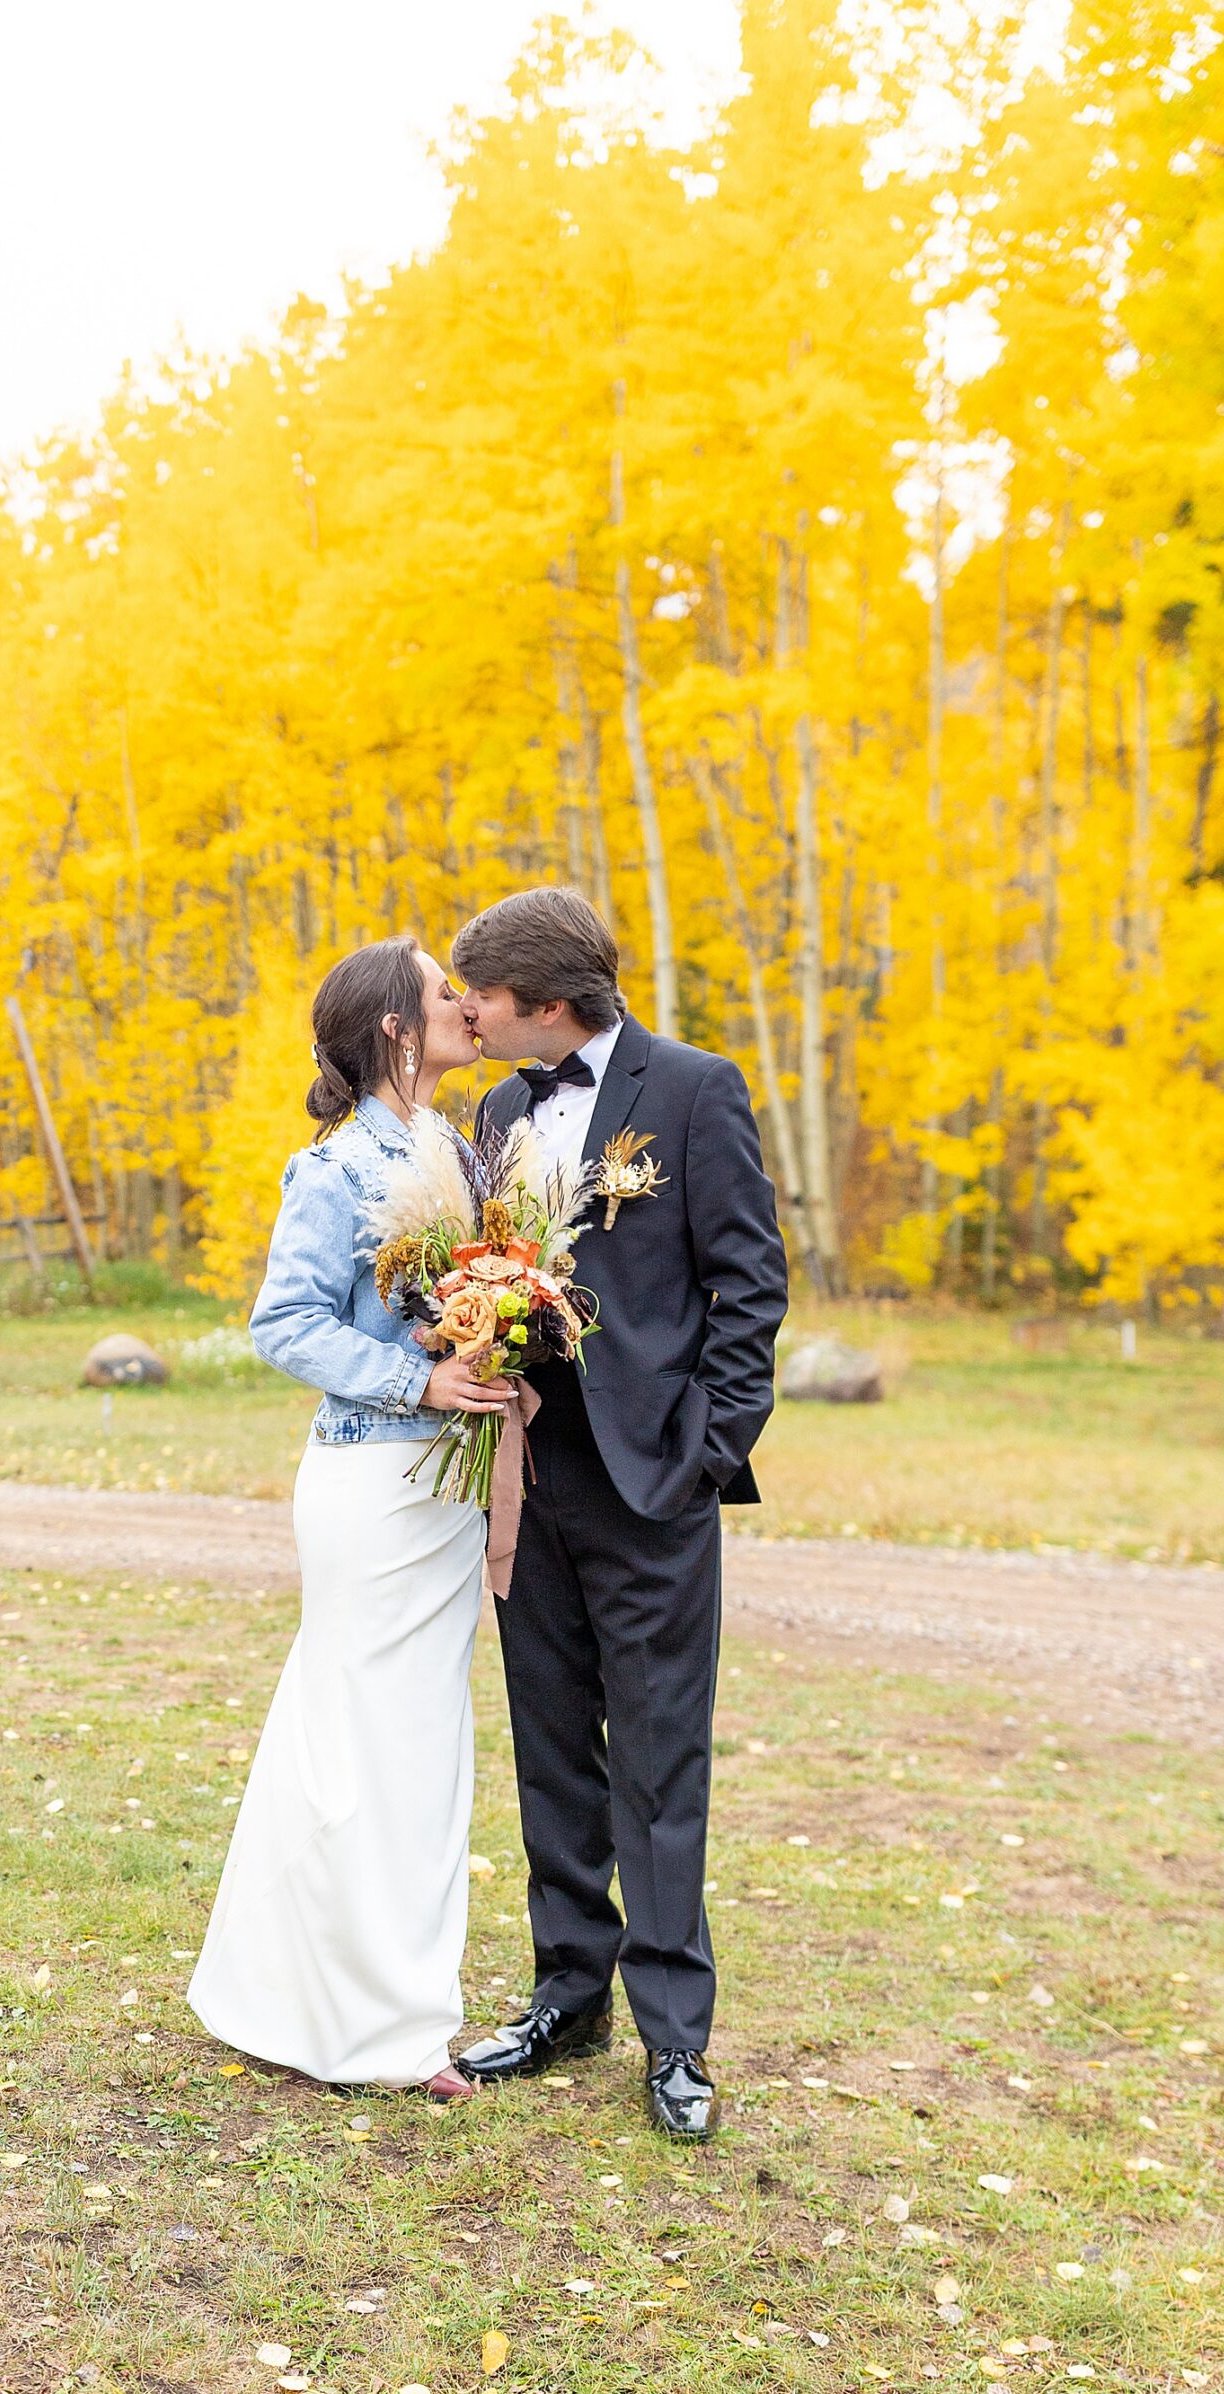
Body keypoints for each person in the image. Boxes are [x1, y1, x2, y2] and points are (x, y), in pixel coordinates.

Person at [451, 887, 788, 2140]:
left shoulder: (696, 1089)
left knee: (659, 1758)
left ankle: (676, 2039)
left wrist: (709, 1449)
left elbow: (748, 1285)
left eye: (491, 1000)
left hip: (655, 1484)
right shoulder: (495, 1109)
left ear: (548, 1005)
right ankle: (566, 1995)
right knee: (551, 1742)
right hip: (526, 1479)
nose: (474, 1018)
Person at [186, 937, 511, 2100]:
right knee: (370, 1743)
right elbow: (284, 1324)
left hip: (450, 1491)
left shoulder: (461, 1147)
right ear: (393, 1028)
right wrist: (417, 1378)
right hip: (374, 1483)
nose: (468, 1007)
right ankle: (386, 2032)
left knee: (410, 1747)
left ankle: (308, 1993)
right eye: (443, 995)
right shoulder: (334, 1169)